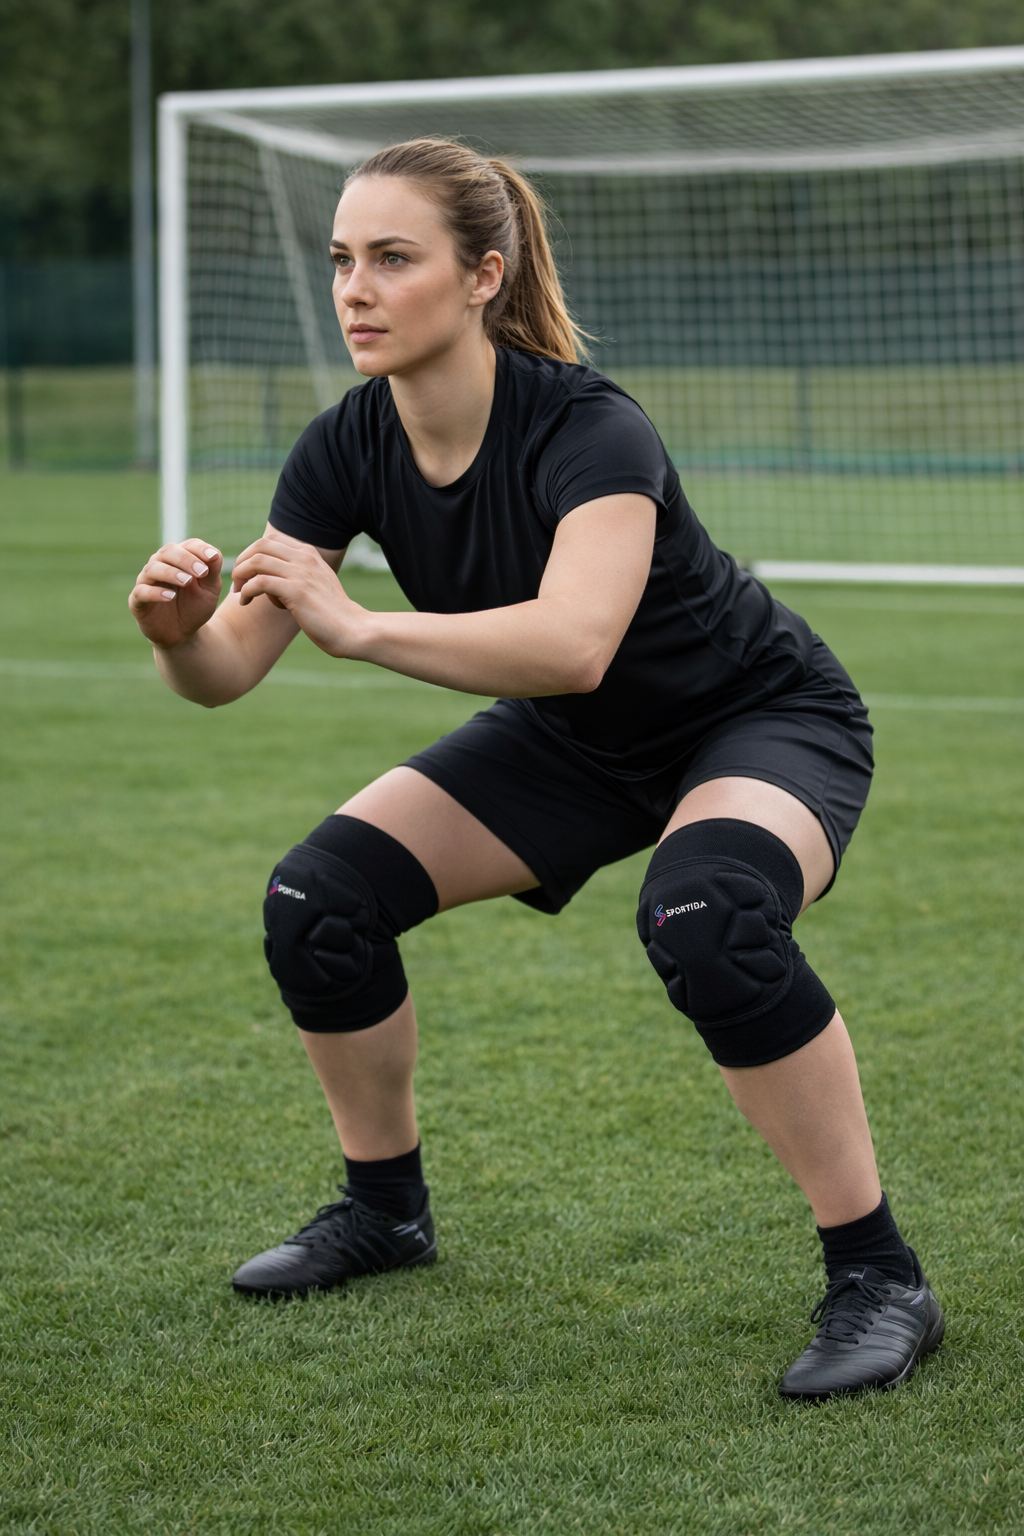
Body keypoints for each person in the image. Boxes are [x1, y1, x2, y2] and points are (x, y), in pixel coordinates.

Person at [129, 138, 943, 1399]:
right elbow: (229, 668)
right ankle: (385, 1212)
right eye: (343, 259)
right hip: (576, 746)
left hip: (754, 717)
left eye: (393, 258)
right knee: (318, 903)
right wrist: (178, 635)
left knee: (706, 915)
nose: (355, 286)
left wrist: (357, 625)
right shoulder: (345, 445)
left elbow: (573, 643)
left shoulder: (589, 424)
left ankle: (878, 1275)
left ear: (480, 277)